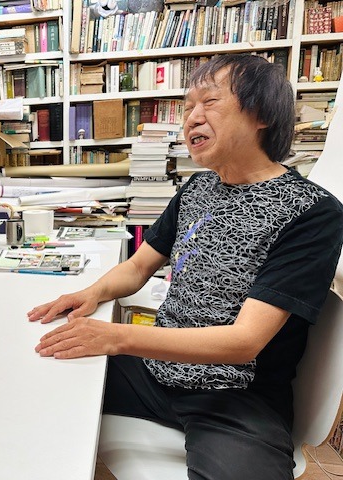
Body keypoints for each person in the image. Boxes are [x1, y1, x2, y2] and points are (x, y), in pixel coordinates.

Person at [28, 54, 343, 480]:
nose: (192, 118)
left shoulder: (312, 212)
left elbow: (245, 342)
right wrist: (91, 293)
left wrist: (116, 337)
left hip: (234, 396)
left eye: (209, 102)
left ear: (263, 115)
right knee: (36, 371)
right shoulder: (198, 187)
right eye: (188, 106)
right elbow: (138, 266)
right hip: (154, 370)